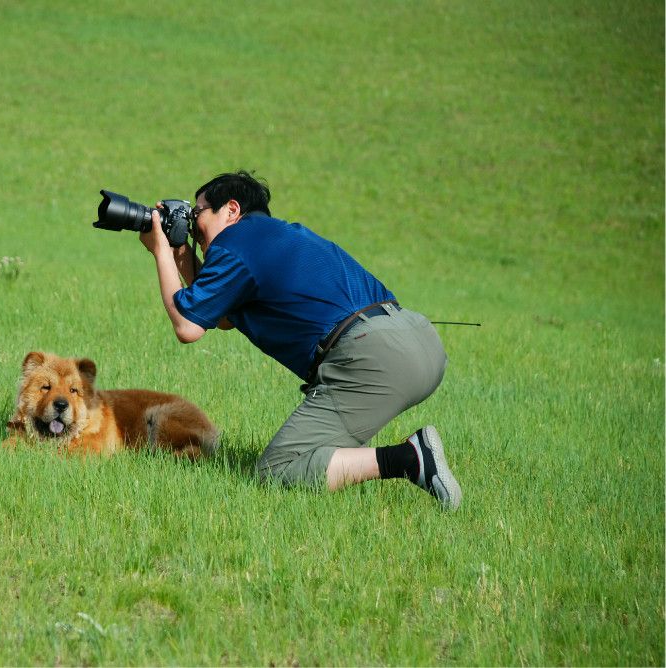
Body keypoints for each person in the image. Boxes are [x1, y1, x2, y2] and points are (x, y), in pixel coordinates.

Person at [139, 170, 461, 509]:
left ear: (231, 210)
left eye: (197, 213)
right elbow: (221, 316)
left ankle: (409, 458)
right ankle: (394, 456)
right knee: (316, 452)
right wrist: (180, 256)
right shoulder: (274, 237)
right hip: (419, 342)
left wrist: (160, 251)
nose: (193, 226)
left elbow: (188, 327)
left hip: (374, 359)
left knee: (278, 470)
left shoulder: (234, 243)